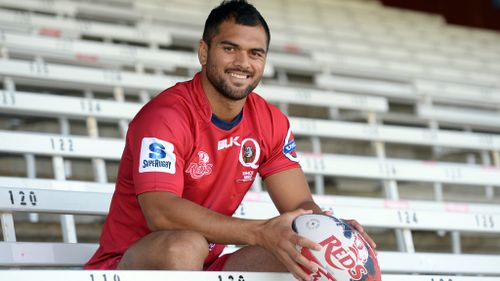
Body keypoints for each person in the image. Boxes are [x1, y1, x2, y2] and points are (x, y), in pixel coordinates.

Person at [85, 1, 376, 280]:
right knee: (186, 246)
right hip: (129, 264)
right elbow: (161, 211)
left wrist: (329, 230)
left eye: (255, 53)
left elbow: (299, 203)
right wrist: (258, 231)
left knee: (307, 250)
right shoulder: (166, 115)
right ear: (204, 51)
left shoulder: (270, 121)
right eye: (230, 48)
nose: (242, 63)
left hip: (207, 265)